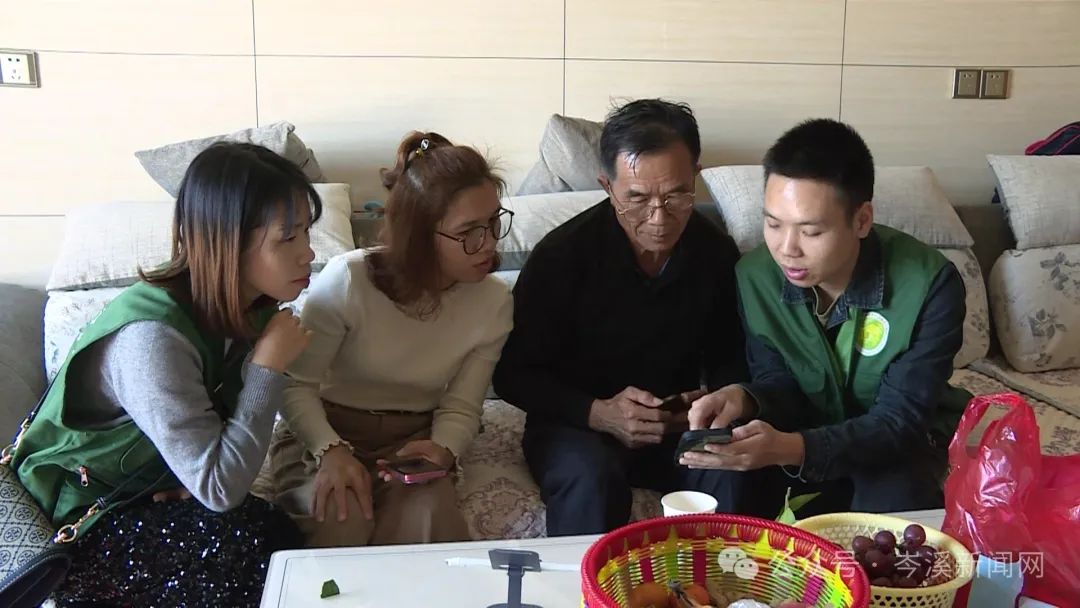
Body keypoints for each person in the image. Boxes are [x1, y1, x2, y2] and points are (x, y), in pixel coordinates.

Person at [12, 142, 317, 606]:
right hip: (80, 528)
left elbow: (212, 466)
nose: (308, 253)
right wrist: (266, 368)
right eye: (287, 238)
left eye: (307, 232)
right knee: (250, 553)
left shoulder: (248, 310)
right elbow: (220, 488)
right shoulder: (152, 339)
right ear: (227, 241)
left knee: (275, 537)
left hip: (145, 493)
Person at [681, 118, 971, 515]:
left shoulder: (929, 283)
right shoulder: (755, 277)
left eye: (811, 232)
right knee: (730, 481)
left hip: (899, 445)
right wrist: (745, 398)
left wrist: (790, 448)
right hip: (805, 433)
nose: (787, 249)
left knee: (891, 501)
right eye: (773, 224)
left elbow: (900, 422)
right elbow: (779, 380)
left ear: (861, 220)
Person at [491, 99, 748, 536]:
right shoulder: (561, 257)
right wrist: (598, 413)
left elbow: (732, 356)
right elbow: (512, 375)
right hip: (577, 425)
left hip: (673, 426)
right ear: (607, 187)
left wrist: (707, 402)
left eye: (676, 195)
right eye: (637, 199)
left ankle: (723, 580)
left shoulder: (716, 253)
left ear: (696, 177)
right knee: (591, 480)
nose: (659, 218)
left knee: (732, 471)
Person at [269, 131, 514, 547]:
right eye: (469, 231)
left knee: (428, 514)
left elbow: (461, 405)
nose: (489, 243)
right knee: (341, 517)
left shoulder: (494, 300)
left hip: (412, 437)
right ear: (419, 234)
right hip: (325, 427)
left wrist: (443, 449)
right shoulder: (349, 280)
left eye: (494, 222)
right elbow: (296, 385)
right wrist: (330, 450)